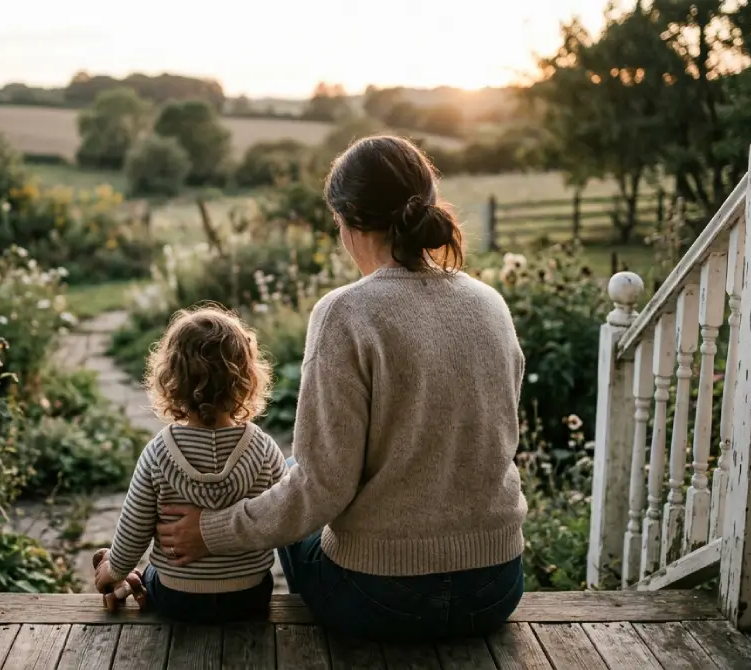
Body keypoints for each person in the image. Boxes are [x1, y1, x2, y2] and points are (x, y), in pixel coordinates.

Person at [154, 136, 528, 642]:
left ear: (348, 220)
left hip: (380, 599)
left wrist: (210, 532)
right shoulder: (490, 303)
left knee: (282, 478)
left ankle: (199, 584)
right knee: (289, 482)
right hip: (496, 588)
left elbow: (319, 489)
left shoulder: (345, 313)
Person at [93, 306, 286, 624]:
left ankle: (132, 585)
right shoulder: (262, 447)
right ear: (247, 377)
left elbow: (133, 530)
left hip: (177, 599)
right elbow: (286, 509)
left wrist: (111, 570)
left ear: (170, 378)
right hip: (249, 596)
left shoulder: (159, 452)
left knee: (150, 572)